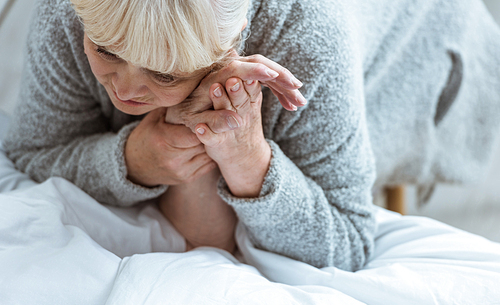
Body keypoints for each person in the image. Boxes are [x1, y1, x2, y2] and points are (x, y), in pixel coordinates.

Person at [5, 0, 500, 271]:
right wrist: (133, 160)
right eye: (107, 52)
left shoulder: (309, 39)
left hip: (417, 39)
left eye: (165, 73)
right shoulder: (71, 13)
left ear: (237, 35)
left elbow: (349, 242)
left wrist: (249, 161)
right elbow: (31, 151)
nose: (128, 90)